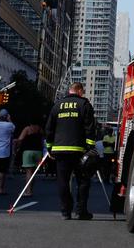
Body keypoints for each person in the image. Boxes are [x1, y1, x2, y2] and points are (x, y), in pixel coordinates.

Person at [45, 81, 97, 220]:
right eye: (83, 91)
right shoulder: (84, 105)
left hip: (60, 150)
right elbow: (90, 128)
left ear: (70, 90)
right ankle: (81, 211)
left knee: (63, 181)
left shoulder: (57, 105)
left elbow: (49, 128)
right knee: (83, 181)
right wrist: (90, 148)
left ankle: (65, 211)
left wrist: (49, 147)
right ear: (79, 90)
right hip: (79, 151)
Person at [16, 119, 45, 198]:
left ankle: (28, 192)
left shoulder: (27, 129)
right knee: (33, 172)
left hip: (28, 151)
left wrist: (17, 145)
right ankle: (31, 190)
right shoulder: (40, 129)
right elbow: (43, 141)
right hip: (38, 152)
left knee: (28, 171)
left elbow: (20, 139)